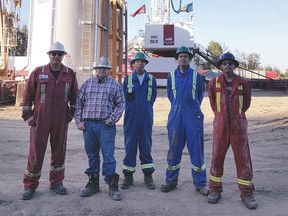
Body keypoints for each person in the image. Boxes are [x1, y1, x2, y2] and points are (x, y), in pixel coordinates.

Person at [21, 42, 78, 200]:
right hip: (40, 117)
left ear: (63, 56)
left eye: (59, 54)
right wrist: (28, 115)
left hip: (60, 118)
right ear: (49, 55)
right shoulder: (38, 72)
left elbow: (75, 97)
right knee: (36, 152)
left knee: (59, 150)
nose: (56, 56)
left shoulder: (69, 74)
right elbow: (27, 95)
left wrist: (71, 114)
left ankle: (56, 182)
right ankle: (30, 185)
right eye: (54, 53)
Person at [206, 52, 257, 209]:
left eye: (230, 63)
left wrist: (237, 116)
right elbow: (214, 104)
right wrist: (222, 117)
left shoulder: (243, 83)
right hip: (221, 124)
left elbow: (246, 104)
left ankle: (246, 193)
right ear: (220, 66)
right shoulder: (213, 83)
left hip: (238, 125)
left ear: (234, 65)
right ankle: (215, 190)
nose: (227, 65)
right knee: (217, 157)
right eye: (224, 63)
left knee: (243, 159)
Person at [74, 56, 125, 201]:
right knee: (92, 155)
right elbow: (78, 103)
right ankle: (93, 183)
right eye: (99, 68)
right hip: (88, 126)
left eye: (104, 68)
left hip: (106, 126)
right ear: (95, 69)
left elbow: (121, 104)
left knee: (108, 156)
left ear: (108, 70)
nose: (101, 70)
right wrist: (79, 121)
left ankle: (111, 184)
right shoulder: (87, 84)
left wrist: (112, 119)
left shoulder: (114, 85)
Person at [161, 45, 209, 196]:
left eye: (186, 56)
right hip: (176, 117)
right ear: (177, 59)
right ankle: (171, 182)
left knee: (196, 151)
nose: (183, 58)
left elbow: (200, 94)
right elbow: (170, 95)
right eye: (181, 56)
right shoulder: (171, 76)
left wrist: (192, 109)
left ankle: (200, 184)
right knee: (174, 150)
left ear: (189, 59)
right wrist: (179, 108)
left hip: (193, 117)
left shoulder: (196, 76)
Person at [121, 51, 157, 190]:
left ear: (145, 64)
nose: (140, 64)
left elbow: (152, 97)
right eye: (137, 61)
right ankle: (128, 176)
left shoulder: (151, 79)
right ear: (133, 64)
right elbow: (124, 96)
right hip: (131, 118)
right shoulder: (127, 80)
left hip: (146, 118)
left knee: (146, 146)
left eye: (142, 62)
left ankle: (148, 176)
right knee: (130, 146)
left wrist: (145, 109)